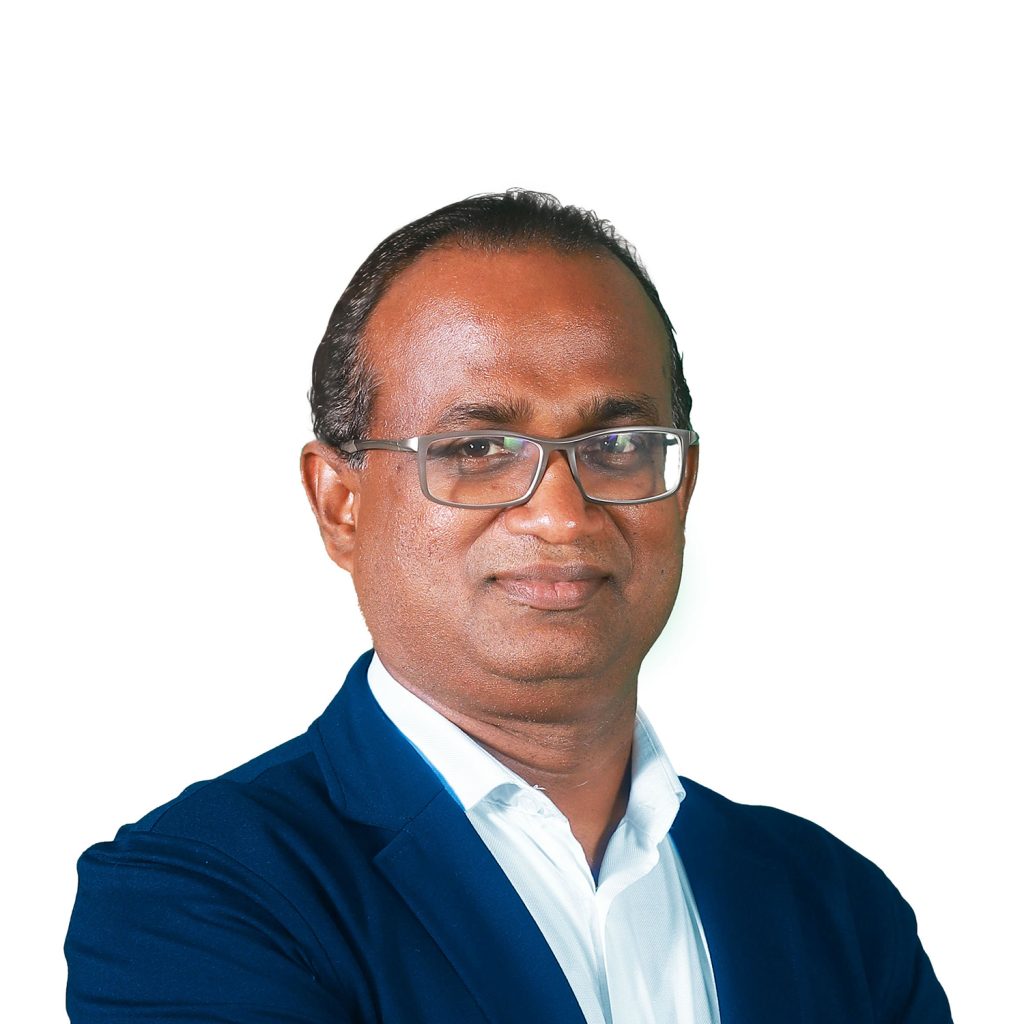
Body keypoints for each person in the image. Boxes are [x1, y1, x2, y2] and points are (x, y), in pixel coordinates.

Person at [65, 191, 953, 1023]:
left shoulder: (837, 909)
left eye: (617, 444)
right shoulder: (193, 898)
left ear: (681, 489)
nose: (561, 515)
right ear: (341, 504)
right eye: (478, 448)